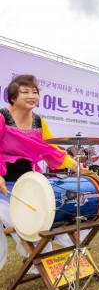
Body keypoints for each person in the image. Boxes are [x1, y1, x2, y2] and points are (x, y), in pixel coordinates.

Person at [0, 75, 80, 271]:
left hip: (28, 181)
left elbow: (50, 150)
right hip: (3, 183)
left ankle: (41, 262)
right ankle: (36, 260)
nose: (32, 96)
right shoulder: (2, 117)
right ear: (12, 97)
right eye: (25, 92)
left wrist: (74, 165)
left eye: (35, 92)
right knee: (20, 221)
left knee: (39, 220)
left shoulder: (39, 122)